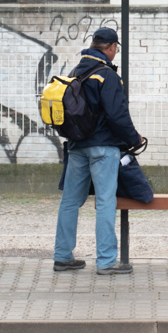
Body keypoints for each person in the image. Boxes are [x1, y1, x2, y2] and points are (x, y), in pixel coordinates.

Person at [53, 27, 144, 275]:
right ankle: (106, 262)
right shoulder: (107, 75)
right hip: (104, 148)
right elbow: (118, 115)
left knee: (70, 201)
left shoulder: (75, 73)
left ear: (93, 46)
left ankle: (62, 257)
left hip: (76, 146)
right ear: (112, 48)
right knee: (105, 202)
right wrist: (134, 138)